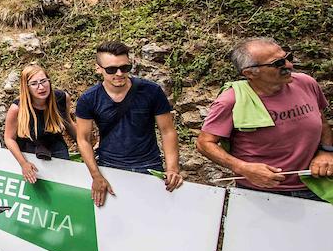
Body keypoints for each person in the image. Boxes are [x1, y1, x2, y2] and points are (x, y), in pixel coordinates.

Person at [196, 38, 333, 197]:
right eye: (278, 63)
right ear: (249, 73)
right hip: (261, 192)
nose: (289, 65)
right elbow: (204, 143)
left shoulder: (306, 83)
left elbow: (322, 122)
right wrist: (243, 168)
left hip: (316, 185)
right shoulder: (231, 100)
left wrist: (327, 151)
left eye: (288, 57)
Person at [74, 41, 182, 206]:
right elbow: (83, 139)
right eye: (111, 69)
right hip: (109, 165)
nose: (119, 73)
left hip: (148, 164)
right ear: (98, 69)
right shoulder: (89, 99)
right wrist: (96, 175)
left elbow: (167, 131)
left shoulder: (151, 91)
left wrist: (172, 168)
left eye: (125, 68)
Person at [3, 65, 76, 184]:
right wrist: (23, 163)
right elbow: (9, 138)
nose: (41, 87)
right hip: (29, 148)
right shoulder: (17, 108)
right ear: (26, 87)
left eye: (43, 81)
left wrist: (85, 145)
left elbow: (69, 123)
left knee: (64, 184)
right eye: (34, 84)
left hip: (56, 145)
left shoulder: (61, 98)